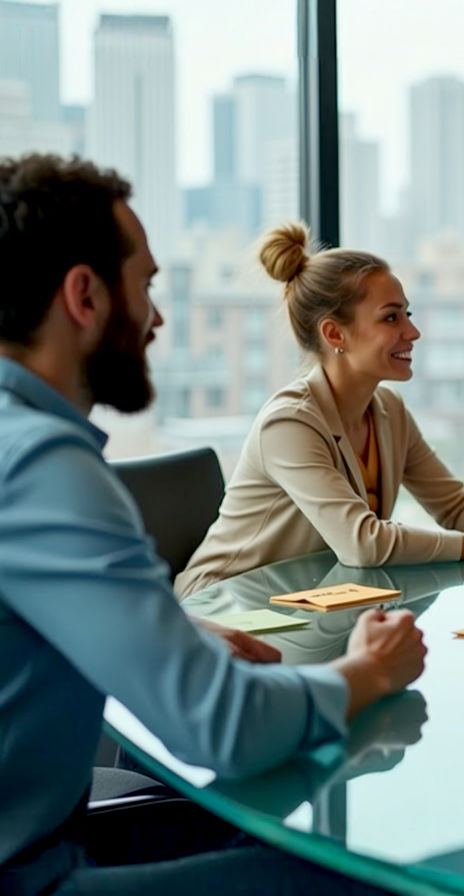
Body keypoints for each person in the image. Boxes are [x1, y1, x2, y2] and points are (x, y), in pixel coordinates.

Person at [0, 153, 424, 894]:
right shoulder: (43, 465)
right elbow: (223, 728)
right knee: (369, 878)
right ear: (85, 296)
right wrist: (367, 671)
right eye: (147, 287)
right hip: (30, 873)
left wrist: (178, 632)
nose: (158, 317)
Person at [175, 222, 464, 595]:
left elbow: (455, 504)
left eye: (408, 313)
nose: (412, 332)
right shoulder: (289, 423)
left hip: (307, 606)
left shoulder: (387, 410)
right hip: (223, 606)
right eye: (391, 317)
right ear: (334, 333)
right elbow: (364, 544)